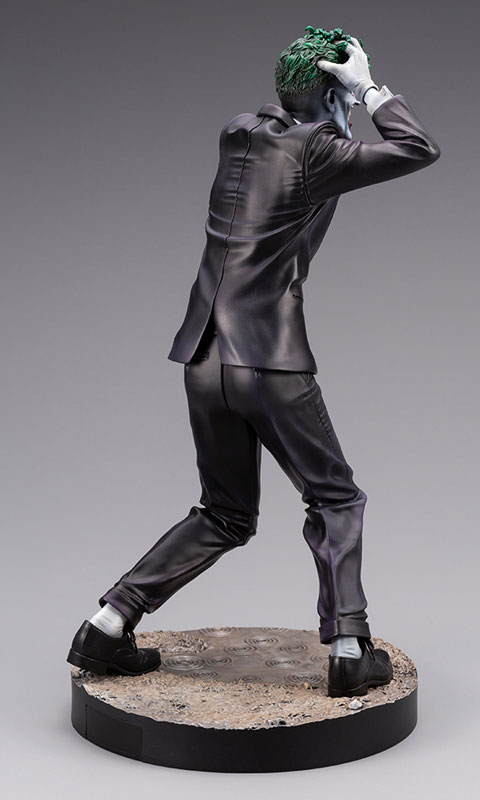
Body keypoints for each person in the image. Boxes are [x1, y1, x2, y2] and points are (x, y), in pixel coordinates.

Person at [67, 27, 440, 697]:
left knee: (224, 512)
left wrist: (327, 95)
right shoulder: (319, 149)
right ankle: (349, 650)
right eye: (343, 96)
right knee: (336, 498)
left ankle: (107, 623)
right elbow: (417, 147)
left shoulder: (239, 132)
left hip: (202, 354)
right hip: (266, 360)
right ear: (332, 95)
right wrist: (368, 88)